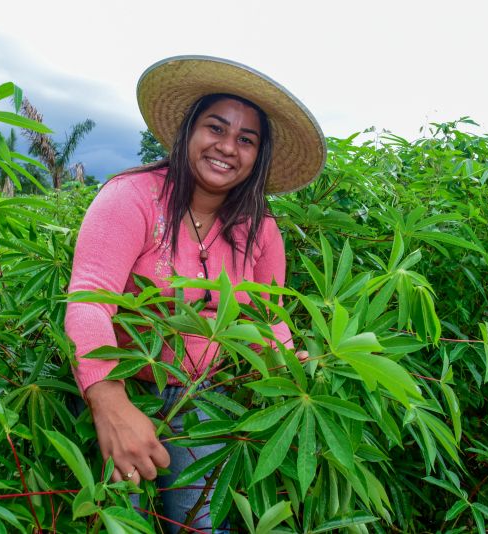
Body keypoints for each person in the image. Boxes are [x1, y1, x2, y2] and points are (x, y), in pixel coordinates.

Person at [65, 55, 326, 532]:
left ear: (258, 155)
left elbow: (270, 320)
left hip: (206, 397)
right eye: (216, 128)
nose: (228, 147)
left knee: (199, 526)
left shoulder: (261, 230)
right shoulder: (133, 197)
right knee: (119, 521)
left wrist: (295, 372)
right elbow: (88, 301)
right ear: (189, 131)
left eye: (246, 140)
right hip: (124, 385)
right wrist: (109, 402)